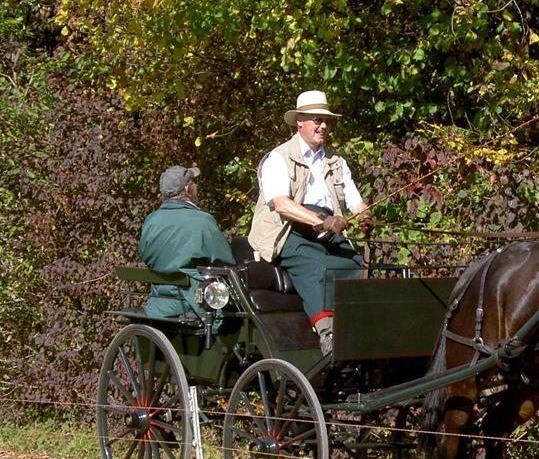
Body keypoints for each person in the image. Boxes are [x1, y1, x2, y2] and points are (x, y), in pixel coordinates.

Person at [247, 90, 372, 353]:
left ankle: (358, 324)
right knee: (317, 266)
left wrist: (364, 216)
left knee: (356, 263)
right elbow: (281, 204)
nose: (323, 125)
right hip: (288, 230)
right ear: (299, 121)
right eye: (316, 120)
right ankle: (327, 332)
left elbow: (354, 200)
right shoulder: (278, 158)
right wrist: (321, 221)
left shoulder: (336, 161)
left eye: (326, 121)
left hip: (328, 227)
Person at [138, 164, 234, 318]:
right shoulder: (202, 221)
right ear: (188, 189)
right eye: (194, 183)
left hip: (158, 303)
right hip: (196, 304)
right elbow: (225, 262)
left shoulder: (151, 220)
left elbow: (144, 255)